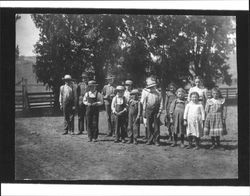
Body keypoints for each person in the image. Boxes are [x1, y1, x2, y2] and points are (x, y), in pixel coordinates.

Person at [143, 78, 163, 146]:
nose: (152, 89)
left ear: (155, 87)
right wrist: (144, 111)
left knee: (156, 126)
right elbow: (144, 103)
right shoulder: (147, 94)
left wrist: (159, 112)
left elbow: (161, 103)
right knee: (149, 126)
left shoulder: (158, 94)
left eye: (153, 87)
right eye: (150, 87)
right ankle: (150, 139)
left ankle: (156, 140)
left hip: (156, 111)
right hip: (148, 111)